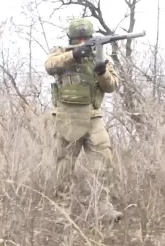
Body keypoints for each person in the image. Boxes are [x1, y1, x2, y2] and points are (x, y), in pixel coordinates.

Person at [45, 18, 123, 224]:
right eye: (77, 39)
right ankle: (62, 213)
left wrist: (101, 71)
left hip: (93, 118)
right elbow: (50, 65)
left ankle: (103, 209)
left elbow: (111, 86)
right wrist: (74, 54)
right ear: (71, 39)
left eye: (85, 39)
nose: (81, 42)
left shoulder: (101, 58)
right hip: (67, 117)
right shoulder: (61, 53)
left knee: (103, 163)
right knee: (64, 167)